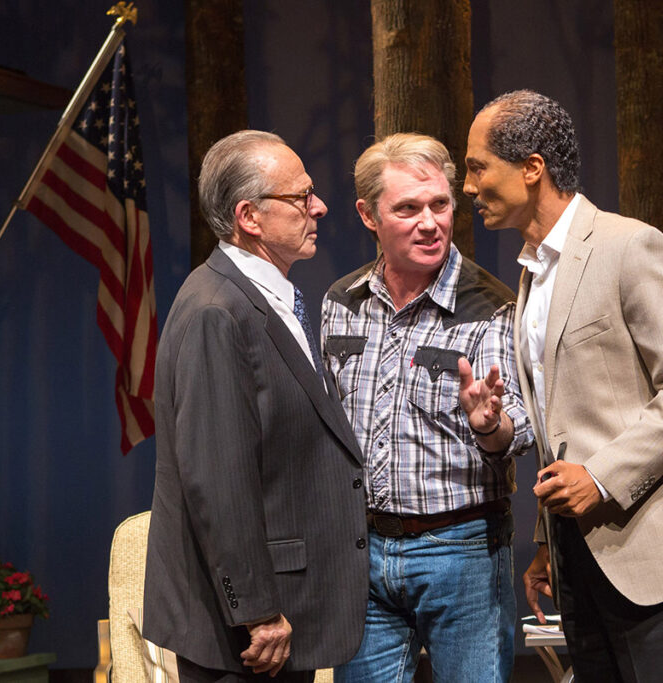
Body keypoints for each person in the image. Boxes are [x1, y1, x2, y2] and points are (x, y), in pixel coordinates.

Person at [464, 90, 663, 682]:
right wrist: (548, 537)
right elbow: (562, 422)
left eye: (477, 166)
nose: (469, 187)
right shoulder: (532, 275)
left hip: (656, 551)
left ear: (532, 168)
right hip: (581, 554)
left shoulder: (628, 246)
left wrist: (600, 477)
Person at [143, 130, 369, 682]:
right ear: (249, 216)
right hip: (244, 636)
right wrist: (259, 610)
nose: (319, 207)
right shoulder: (215, 311)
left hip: (279, 612)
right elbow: (216, 477)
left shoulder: (268, 297)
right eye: (300, 197)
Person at [321, 133, 533, 682]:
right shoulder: (341, 304)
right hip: (362, 551)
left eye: (440, 205)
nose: (429, 222)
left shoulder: (491, 305)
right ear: (369, 215)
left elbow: (523, 428)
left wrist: (491, 426)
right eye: (408, 209)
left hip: (461, 550)